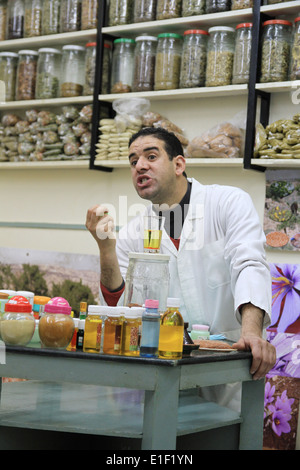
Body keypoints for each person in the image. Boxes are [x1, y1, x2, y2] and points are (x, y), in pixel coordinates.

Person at [86, 127, 276, 410]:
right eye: (133, 160)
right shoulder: (133, 232)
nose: (140, 165)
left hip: (229, 366)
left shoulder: (227, 203)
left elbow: (249, 264)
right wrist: (106, 250)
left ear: (178, 164)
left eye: (151, 155)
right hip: (163, 374)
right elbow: (119, 307)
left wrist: (252, 332)